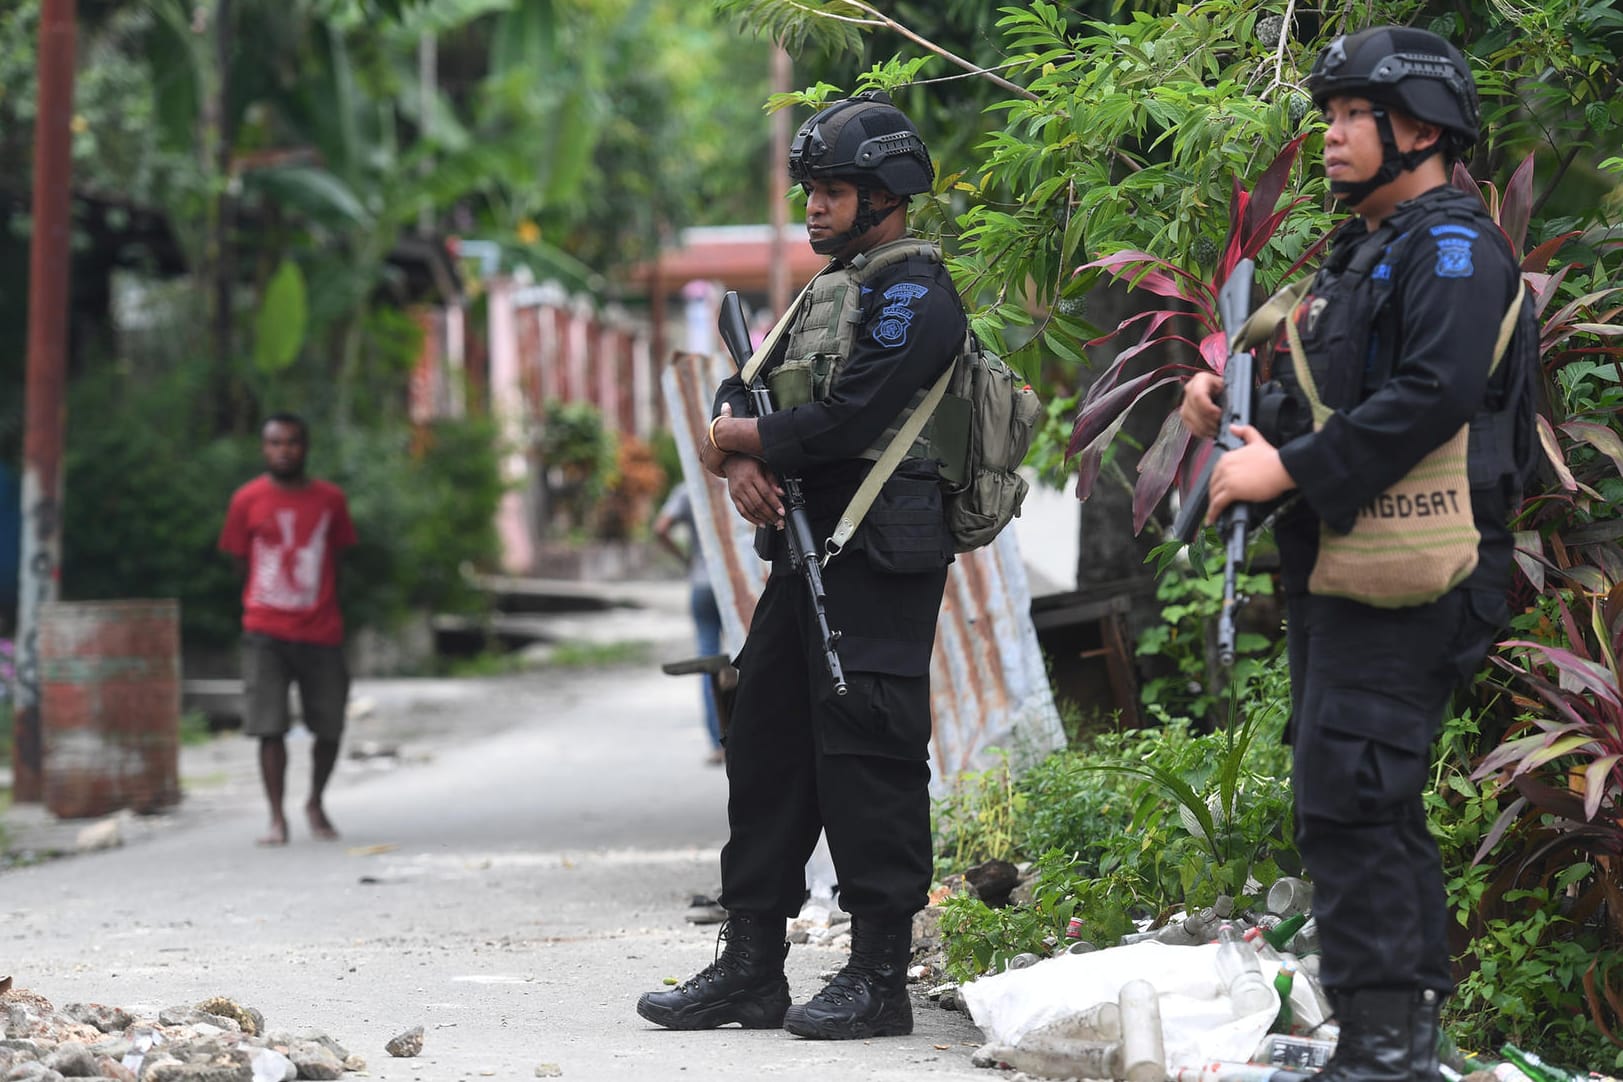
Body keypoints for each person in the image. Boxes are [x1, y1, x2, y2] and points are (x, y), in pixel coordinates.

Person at [1180, 26, 1537, 1082]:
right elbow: (1339, 397)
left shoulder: (1455, 251)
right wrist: (1233, 417)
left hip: (1421, 566)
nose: (1329, 136)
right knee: (1344, 790)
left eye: (1349, 116)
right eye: (1328, 115)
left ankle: (1390, 1048)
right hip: (1353, 561)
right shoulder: (1370, 248)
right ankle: (1386, 1036)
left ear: (1418, 129)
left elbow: (1432, 395)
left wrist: (1286, 473)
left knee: (1359, 788)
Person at [636, 90, 964, 1041]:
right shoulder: (828, 290)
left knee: (869, 754)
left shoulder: (913, 293)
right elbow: (746, 380)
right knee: (767, 743)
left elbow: (852, 417)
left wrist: (746, 438)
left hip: (880, 554)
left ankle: (877, 975)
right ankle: (749, 968)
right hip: (807, 551)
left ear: (887, 194)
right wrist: (739, 450)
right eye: (811, 190)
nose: (814, 208)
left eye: (834, 191)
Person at [219, 413, 359, 847]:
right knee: (269, 726)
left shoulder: (330, 500)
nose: (284, 450)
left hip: (321, 631)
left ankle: (315, 801)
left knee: (330, 726)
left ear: (306, 446)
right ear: (264, 449)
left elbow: (339, 556)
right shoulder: (247, 500)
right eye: (275, 442)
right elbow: (238, 558)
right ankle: (276, 818)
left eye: (293, 442)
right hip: (265, 631)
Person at [653, 480, 726, 764]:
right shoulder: (742, 478)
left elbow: (660, 529)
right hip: (736, 585)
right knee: (746, 657)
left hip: (701, 582)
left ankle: (718, 743)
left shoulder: (687, 489)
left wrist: (686, 559)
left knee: (709, 661)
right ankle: (749, 738)